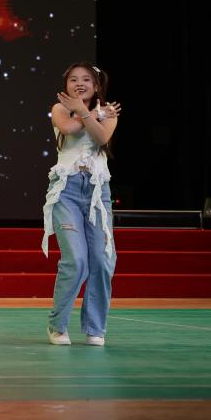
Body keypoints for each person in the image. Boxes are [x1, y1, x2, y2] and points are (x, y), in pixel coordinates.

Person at [44, 63, 120, 346]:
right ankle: (57, 325)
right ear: (65, 86)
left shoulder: (108, 112)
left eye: (86, 79)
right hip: (67, 190)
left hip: (98, 191)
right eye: (73, 79)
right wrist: (89, 113)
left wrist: (91, 113)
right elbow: (69, 128)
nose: (79, 83)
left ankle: (95, 328)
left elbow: (101, 137)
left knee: (102, 259)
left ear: (96, 85)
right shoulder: (60, 108)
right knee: (76, 260)